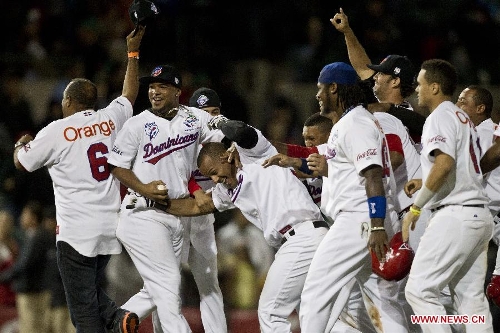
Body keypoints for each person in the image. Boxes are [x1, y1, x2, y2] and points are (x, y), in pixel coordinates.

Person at [131, 116, 329, 333]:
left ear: (226, 157)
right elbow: (196, 207)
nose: (214, 180)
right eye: (210, 177)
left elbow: (242, 131)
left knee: (270, 312)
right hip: (301, 241)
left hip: (304, 236)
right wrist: (154, 202)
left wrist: (220, 123)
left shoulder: (254, 154)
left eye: (214, 172)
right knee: (322, 315)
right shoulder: (226, 190)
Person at [12, 27, 146, 333]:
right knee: (87, 295)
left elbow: (23, 163)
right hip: (109, 227)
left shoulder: (57, 130)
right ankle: (116, 317)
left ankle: (116, 316)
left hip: (75, 231)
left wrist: (21, 144)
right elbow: (129, 94)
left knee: (83, 312)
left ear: (69, 102)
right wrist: (133, 54)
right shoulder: (109, 119)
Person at [291, 62, 407, 333]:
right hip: (365, 218)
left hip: (360, 219)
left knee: (315, 292)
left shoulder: (356, 123)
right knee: (377, 302)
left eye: (321, 88)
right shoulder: (349, 123)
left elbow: (373, 175)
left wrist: (377, 225)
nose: (317, 95)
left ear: (334, 88)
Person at [107, 66, 225, 332]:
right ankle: (114, 319)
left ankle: (116, 320)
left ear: (176, 91)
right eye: (151, 87)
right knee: (169, 283)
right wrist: (144, 187)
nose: (154, 91)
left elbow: (223, 138)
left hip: (177, 214)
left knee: (164, 290)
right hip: (144, 212)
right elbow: (115, 165)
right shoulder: (137, 123)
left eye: (161, 86)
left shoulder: (193, 118)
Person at [402, 59, 494, 333]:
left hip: (456, 215)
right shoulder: (462, 117)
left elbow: (444, 163)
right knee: (471, 302)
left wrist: (415, 209)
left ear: (434, 87)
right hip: (478, 215)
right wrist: (425, 179)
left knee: (419, 291)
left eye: (420, 84)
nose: (417, 90)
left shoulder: (439, 116)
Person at [331, 7, 425, 146]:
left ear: (395, 81)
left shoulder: (405, 116)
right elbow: (363, 67)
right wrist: (347, 32)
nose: (375, 77)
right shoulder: (380, 104)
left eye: (380, 73)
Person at [0, 201, 53, 333]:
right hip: (32, 290)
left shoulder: (36, 237)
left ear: (33, 218)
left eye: (25, 214)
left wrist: (3, 277)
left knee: (31, 328)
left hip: (31, 291)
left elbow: (23, 265)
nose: (21, 218)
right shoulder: (34, 236)